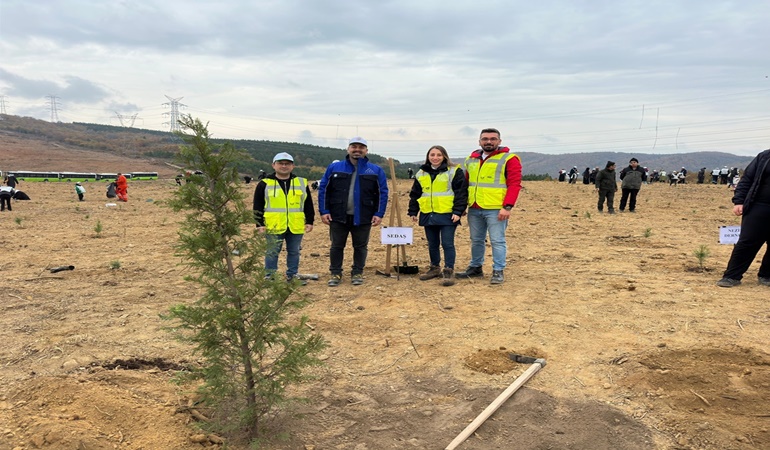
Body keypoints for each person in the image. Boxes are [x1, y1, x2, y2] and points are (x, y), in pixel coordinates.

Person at [318, 137, 388, 286]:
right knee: (336, 245)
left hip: (364, 215)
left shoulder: (375, 170)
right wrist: (324, 211)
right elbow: (324, 189)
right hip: (337, 215)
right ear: (348, 149)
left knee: (360, 246)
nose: (357, 150)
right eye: (354, 147)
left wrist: (378, 213)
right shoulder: (334, 168)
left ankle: (357, 272)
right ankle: (335, 273)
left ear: (366, 150)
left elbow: (382, 193)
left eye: (361, 147)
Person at [456, 128, 522, 285]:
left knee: (497, 240)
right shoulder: (471, 160)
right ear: (479, 141)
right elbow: (466, 183)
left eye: (493, 139)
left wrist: (507, 207)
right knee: (476, 240)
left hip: (496, 208)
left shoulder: (509, 159)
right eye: (485, 139)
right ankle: (475, 267)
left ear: (499, 141)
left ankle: (498, 270)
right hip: (475, 207)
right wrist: (463, 205)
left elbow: (514, 184)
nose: (489, 141)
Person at [407, 145, 468, 287]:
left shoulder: (454, 171)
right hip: (428, 214)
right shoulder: (421, 173)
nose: (435, 158)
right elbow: (415, 194)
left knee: (447, 243)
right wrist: (413, 211)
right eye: (432, 155)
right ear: (428, 156)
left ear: (444, 156)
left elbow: (461, 193)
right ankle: (434, 268)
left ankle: (448, 270)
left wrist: (458, 211)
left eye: (439, 155)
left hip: (448, 214)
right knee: (432, 244)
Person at [253, 152, 314, 285]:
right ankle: (270, 277)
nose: (284, 166)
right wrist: (259, 224)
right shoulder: (264, 183)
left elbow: (308, 203)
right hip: (273, 225)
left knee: (294, 251)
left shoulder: (301, 183)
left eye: (287, 164)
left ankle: (292, 276)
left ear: (293, 166)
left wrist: (310, 221)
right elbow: (257, 205)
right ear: (274, 165)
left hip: (295, 224)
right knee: (272, 252)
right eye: (280, 163)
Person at [716, 148, 770, 288]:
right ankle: (731, 276)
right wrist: (739, 201)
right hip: (759, 205)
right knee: (747, 242)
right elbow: (747, 179)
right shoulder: (764, 156)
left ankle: (766, 275)